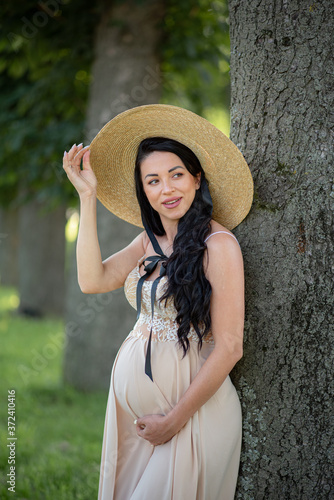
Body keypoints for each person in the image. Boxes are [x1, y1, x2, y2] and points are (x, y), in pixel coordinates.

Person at [63, 104, 253, 500]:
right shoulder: (147, 242)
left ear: (197, 179)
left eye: (176, 175)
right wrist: (87, 197)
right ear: (144, 191)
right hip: (133, 421)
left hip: (191, 417)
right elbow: (91, 280)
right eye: (153, 181)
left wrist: (173, 421)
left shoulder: (219, 246)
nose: (166, 189)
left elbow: (231, 346)